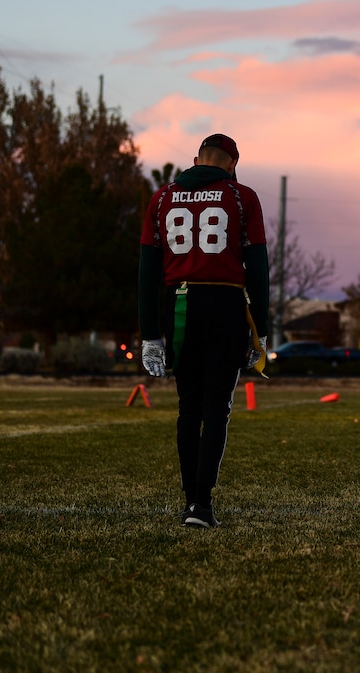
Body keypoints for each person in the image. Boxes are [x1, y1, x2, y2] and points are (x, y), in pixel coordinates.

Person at [138, 133, 270, 528]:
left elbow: (147, 271)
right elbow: (258, 269)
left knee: (188, 407)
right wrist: (261, 329)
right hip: (225, 303)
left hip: (179, 303)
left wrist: (150, 333)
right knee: (216, 407)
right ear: (232, 164)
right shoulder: (243, 197)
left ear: (197, 160)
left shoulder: (162, 197)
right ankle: (202, 504)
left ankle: (189, 502)